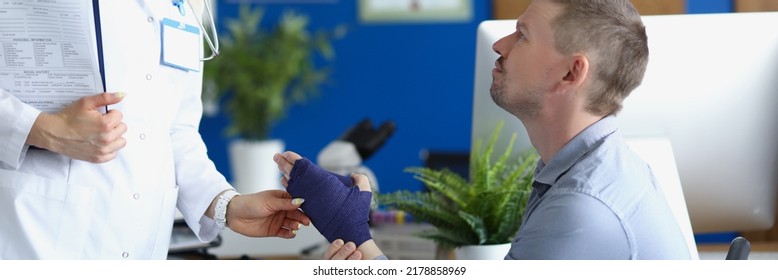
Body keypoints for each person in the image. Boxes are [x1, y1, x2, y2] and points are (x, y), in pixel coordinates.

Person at [275, 0, 692, 260]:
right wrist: (360, 241)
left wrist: (352, 232)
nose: (500, 44)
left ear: (571, 71)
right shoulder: (589, 169)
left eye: (522, 35)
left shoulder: (583, 208)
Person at [0, 1, 310, 259]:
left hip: (143, 245)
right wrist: (41, 129)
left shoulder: (184, 5)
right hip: (36, 233)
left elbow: (175, 129)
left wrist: (225, 205)